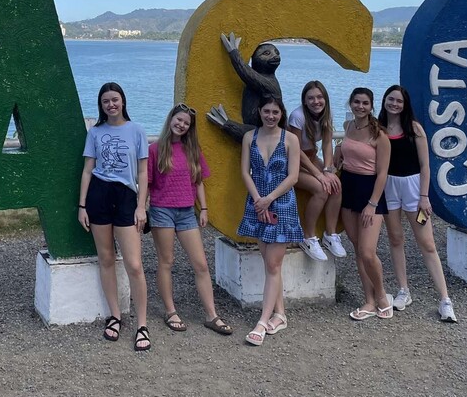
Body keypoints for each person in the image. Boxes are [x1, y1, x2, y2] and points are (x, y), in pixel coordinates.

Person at [78, 82, 152, 352]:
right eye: (106, 101)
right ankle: (115, 316)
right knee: (106, 258)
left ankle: (142, 324)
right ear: (101, 105)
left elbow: (143, 173)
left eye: (115, 99)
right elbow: (88, 170)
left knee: (134, 264)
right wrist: (82, 205)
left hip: (126, 198)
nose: (111, 104)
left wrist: (141, 206)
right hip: (99, 195)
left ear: (123, 102)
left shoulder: (137, 131)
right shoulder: (95, 132)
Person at [147, 103, 231, 336]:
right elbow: (147, 183)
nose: (181, 125)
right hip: (161, 210)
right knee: (167, 261)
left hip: (186, 212)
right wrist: (140, 209)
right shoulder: (155, 150)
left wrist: (203, 208)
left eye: (186, 123)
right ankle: (170, 310)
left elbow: (198, 181)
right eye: (179, 120)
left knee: (201, 264)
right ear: (170, 119)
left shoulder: (192, 150)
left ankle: (211, 315)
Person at [378, 85, 457, 323]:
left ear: (405, 104)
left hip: (413, 187)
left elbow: (425, 165)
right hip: (389, 186)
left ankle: (444, 299)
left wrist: (424, 196)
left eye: (399, 101)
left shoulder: (414, 128)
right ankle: (403, 290)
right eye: (390, 99)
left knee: (427, 244)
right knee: (395, 238)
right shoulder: (378, 129)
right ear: (384, 101)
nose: (394, 104)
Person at [236, 94, 303, 346]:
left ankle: (263, 322)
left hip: (282, 204)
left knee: (273, 265)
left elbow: (293, 176)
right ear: (260, 112)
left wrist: (269, 199)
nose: (271, 116)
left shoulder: (291, 139)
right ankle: (280, 314)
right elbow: (245, 171)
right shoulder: (249, 137)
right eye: (267, 111)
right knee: (269, 262)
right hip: (256, 203)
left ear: (281, 113)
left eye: (275, 112)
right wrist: (258, 200)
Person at [338, 87, 393, 321]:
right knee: (357, 248)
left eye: (365, 103)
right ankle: (368, 301)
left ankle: (381, 296)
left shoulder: (379, 134)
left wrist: (372, 204)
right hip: (348, 188)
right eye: (357, 102)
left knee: (368, 251)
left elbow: (382, 173)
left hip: (370, 192)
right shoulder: (348, 127)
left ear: (372, 106)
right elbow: (342, 156)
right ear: (351, 103)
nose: (360, 106)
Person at [287, 80, 346, 261]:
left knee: (335, 185)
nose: (316, 101)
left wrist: (328, 170)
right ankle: (309, 237)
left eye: (320, 97)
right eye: (311, 98)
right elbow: (294, 150)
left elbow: (327, 143)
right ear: (304, 101)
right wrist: (318, 174)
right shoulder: (297, 116)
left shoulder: (326, 114)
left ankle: (330, 234)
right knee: (321, 189)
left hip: (311, 158)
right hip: (293, 163)